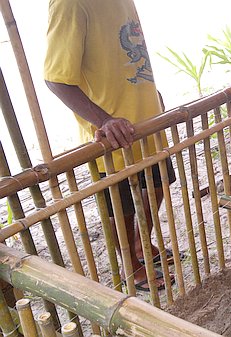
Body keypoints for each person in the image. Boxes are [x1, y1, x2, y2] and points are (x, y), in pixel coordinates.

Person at [44, 0, 177, 292]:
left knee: (157, 184)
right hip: (113, 138)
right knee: (123, 208)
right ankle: (130, 264)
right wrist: (104, 120)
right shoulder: (69, 4)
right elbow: (56, 79)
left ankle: (142, 246)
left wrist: (153, 95)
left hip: (146, 122)